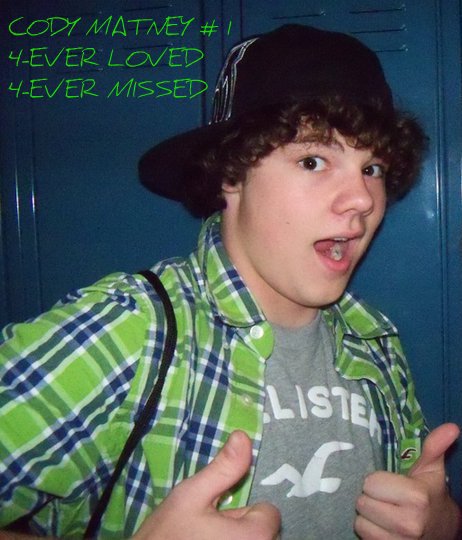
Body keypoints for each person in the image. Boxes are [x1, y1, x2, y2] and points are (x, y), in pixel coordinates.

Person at [0, 24, 460, 540]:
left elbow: (421, 501)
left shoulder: (376, 340)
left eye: (372, 168)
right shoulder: (128, 330)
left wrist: (443, 523)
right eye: (313, 161)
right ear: (231, 175)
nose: (361, 200)